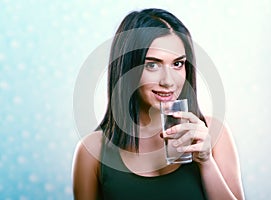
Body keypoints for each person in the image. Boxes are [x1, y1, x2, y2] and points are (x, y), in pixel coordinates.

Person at [72, 8, 245, 200]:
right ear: (127, 69)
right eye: (152, 65)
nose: (168, 81)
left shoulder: (213, 133)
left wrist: (206, 163)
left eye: (177, 64)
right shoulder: (93, 151)